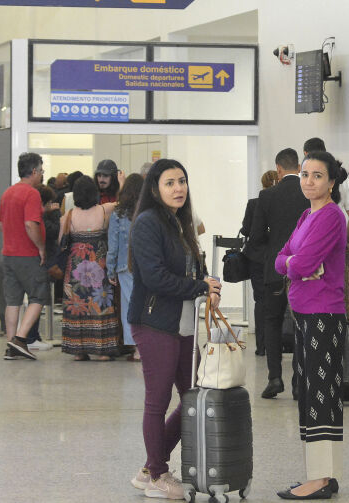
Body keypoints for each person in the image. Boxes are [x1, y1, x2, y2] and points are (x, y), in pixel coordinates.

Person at [126, 159, 221, 500]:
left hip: (183, 324)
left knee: (194, 395)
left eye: (182, 181)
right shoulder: (148, 223)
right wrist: (198, 287)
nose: (178, 188)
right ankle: (157, 474)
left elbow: (192, 270)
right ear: (155, 189)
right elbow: (155, 277)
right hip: (154, 322)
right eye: (170, 183)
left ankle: (150, 467)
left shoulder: (181, 222)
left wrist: (208, 284)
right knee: (158, 400)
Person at [274, 150, 347, 500]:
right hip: (304, 312)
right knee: (308, 393)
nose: (309, 181)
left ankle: (319, 479)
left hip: (323, 314)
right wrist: (295, 264)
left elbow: (301, 264)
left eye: (317, 176)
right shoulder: (306, 215)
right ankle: (322, 474)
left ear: (331, 182)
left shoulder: (331, 216)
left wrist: (297, 264)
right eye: (305, 174)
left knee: (321, 395)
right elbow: (282, 259)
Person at [249, 149, 310, 399]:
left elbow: (255, 237)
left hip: (275, 269)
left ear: (279, 169)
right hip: (303, 270)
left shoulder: (267, 196)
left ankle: (274, 378)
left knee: (272, 322)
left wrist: (272, 253)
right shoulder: (309, 193)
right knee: (301, 325)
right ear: (299, 166)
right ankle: (298, 381)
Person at [60, 175, 120, 360]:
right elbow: (124, 202)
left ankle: (79, 351)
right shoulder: (104, 210)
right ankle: (103, 351)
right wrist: (122, 181)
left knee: (77, 304)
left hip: (76, 267)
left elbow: (60, 240)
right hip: (98, 264)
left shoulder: (69, 216)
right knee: (100, 303)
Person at [0, 152, 48, 360]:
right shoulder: (31, 194)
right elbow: (30, 224)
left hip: (8, 254)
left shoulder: (8, 193)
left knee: (13, 301)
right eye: (41, 170)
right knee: (39, 296)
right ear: (34, 171)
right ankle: (20, 339)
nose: (42, 174)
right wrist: (41, 247)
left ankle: (11, 345)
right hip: (27, 255)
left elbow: (0, 223)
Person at [107, 172, 144, 361]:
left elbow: (113, 245)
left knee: (129, 306)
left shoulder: (118, 213)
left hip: (125, 266)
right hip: (146, 264)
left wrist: (110, 269)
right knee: (147, 304)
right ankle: (148, 344)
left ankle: (137, 348)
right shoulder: (148, 212)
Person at [241, 169, 278, 356]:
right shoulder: (282, 202)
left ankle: (261, 346)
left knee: (260, 300)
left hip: (256, 258)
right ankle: (276, 344)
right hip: (276, 258)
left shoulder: (253, 203)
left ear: (263, 183)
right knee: (277, 300)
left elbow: (246, 230)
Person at [21, 184, 60, 353]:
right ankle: (30, 337)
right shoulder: (40, 217)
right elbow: (53, 231)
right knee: (37, 298)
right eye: (49, 203)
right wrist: (55, 214)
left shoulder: (32, 214)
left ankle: (31, 336)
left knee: (36, 298)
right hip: (41, 260)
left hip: (32, 259)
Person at [303, 138, 349, 245]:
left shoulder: (304, 181)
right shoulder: (343, 178)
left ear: (305, 154)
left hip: (310, 243)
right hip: (335, 241)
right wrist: (344, 242)